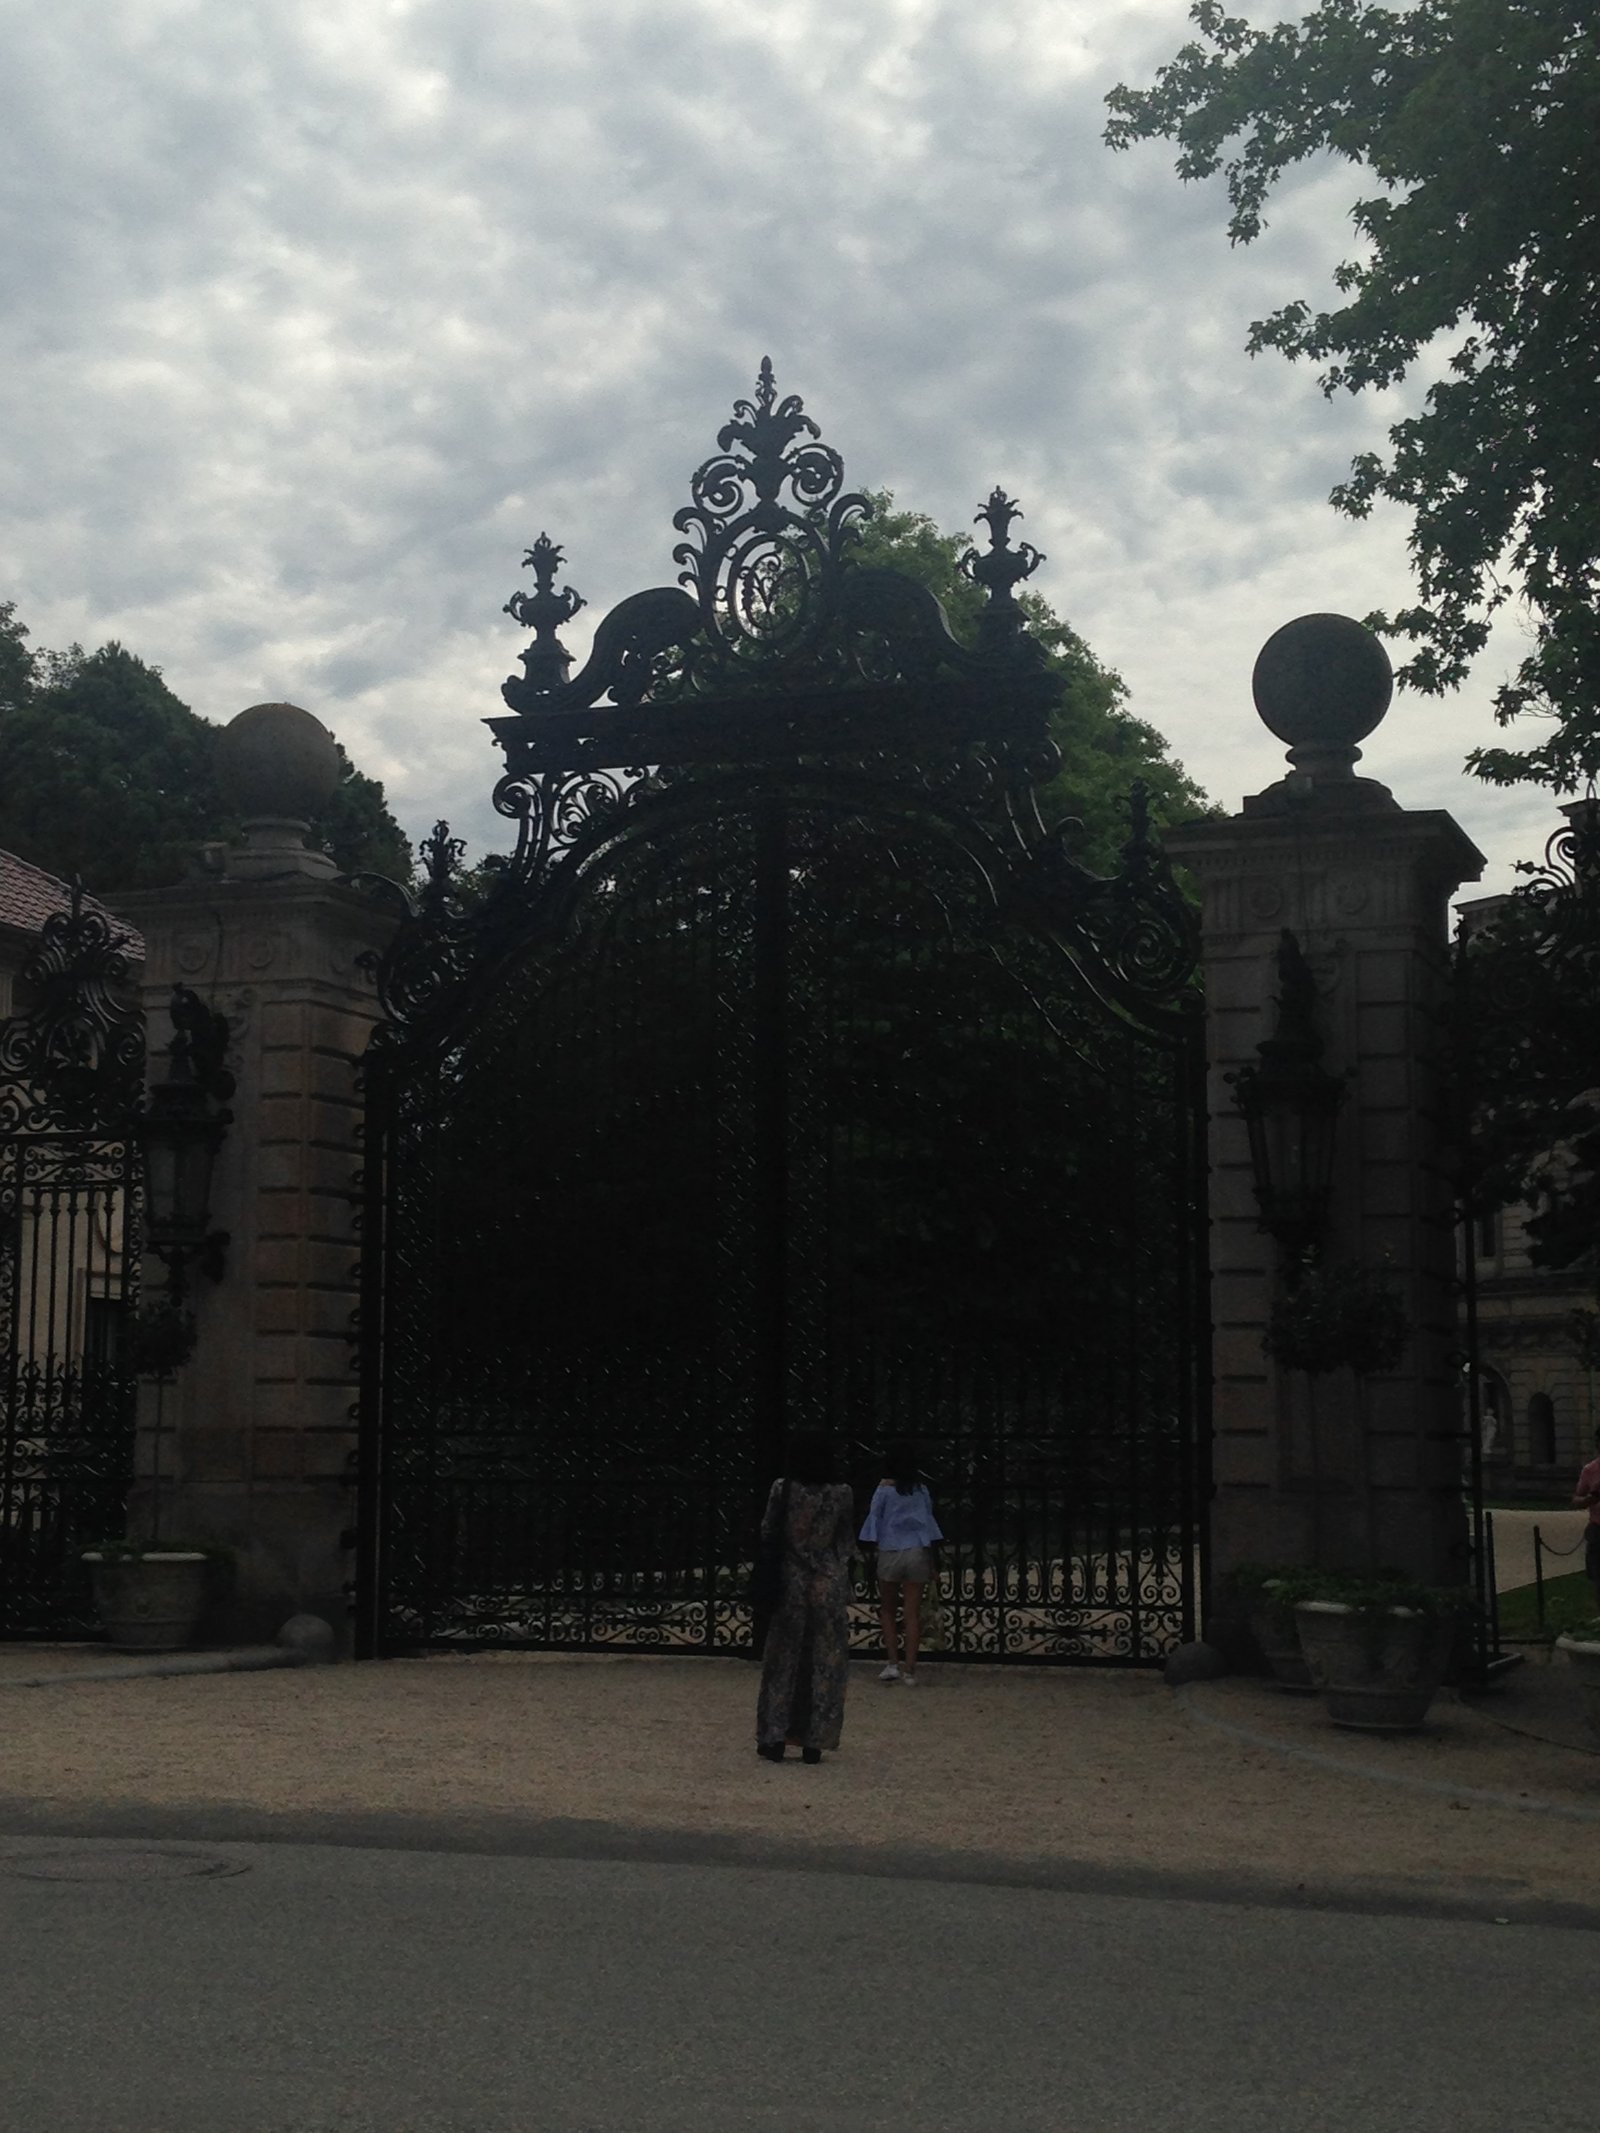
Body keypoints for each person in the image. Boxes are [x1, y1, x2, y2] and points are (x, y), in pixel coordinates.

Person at [754, 1432, 856, 1765]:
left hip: (790, 1582)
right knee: (825, 1664)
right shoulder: (842, 1495)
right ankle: (814, 1740)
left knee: (782, 1663)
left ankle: (774, 1736)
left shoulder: (783, 1490)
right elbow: (844, 1543)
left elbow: (769, 1531)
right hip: (827, 1582)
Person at [859, 1437, 943, 1687]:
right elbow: (928, 1525)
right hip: (916, 1551)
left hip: (890, 1549)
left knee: (887, 1609)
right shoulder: (921, 1489)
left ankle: (892, 1663)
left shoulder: (884, 1489)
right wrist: (932, 1563)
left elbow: (875, 1518)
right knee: (912, 1612)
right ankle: (910, 1669)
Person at [1573, 1424, 1600, 1612]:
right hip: (1598, 1529)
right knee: (1598, 1578)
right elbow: (1575, 1499)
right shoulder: (1590, 1470)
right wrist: (1589, 1499)